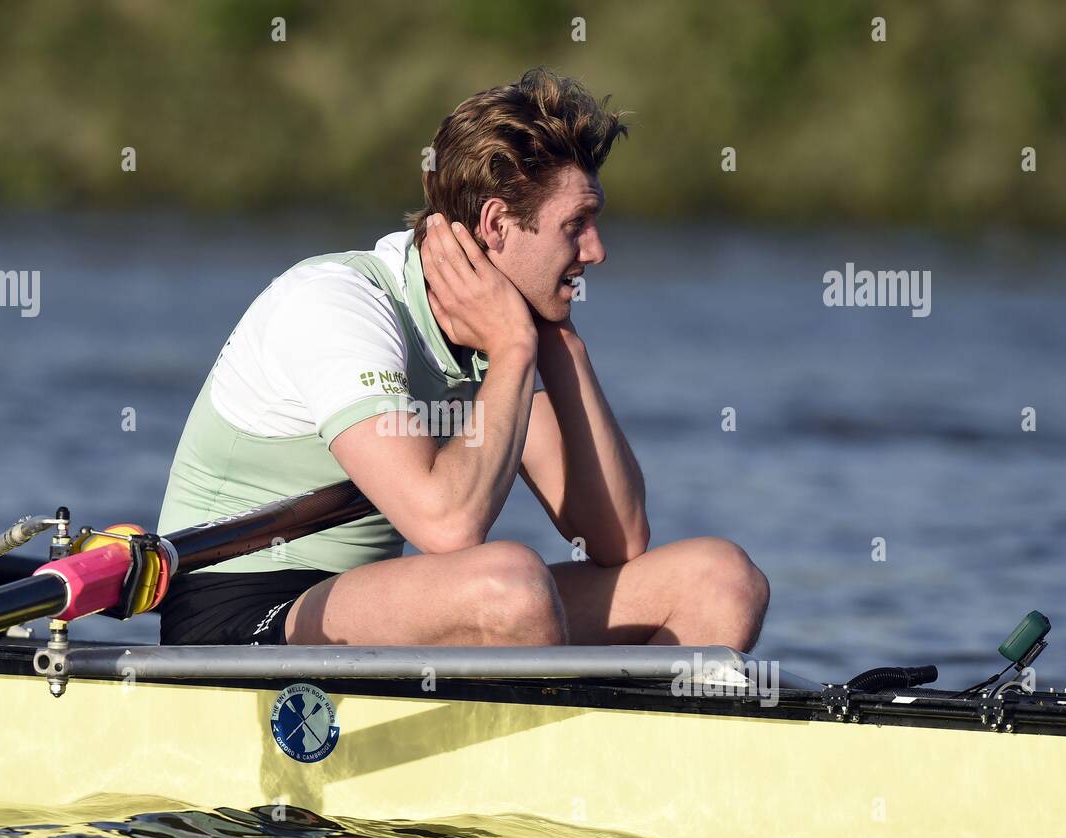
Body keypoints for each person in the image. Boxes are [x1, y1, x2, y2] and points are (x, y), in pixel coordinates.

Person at [158, 67, 768, 649]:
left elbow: (616, 537)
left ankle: (617, 744)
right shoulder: (338, 303)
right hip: (236, 613)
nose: (597, 251)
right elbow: (447, 528)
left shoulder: (504, 330)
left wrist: (563, 346)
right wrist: (513, 349)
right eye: (576, 224)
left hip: (374, 610)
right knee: (509, 586)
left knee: (720, 580)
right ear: (497, 224)